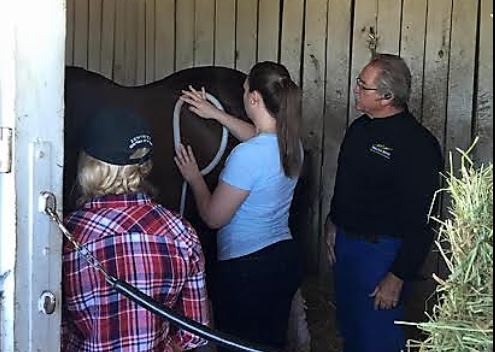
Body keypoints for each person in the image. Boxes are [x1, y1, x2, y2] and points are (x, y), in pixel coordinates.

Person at [174, 61, 303, 350]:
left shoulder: (246, 156)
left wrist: (194, 178)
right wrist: (217, 114)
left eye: (245, 91)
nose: (243, 95)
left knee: (239, 344)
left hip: (247, 269)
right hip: (283, 258)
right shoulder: (291, 145)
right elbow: (258, 135)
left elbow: (213, 217)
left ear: (254, 99)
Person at [62, 109, 209, 351]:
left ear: (89, 166)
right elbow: (195, 332)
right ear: (144, 165)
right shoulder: (181, 233)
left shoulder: (66, 235)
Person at [324, 54, 443, 352]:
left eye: (363, 86)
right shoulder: (359, 129)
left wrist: (398, 275)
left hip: (382, 254)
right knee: (350, 329)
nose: (356, 89)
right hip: (347, 247)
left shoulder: (418, 145)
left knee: (377, 337)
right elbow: (345, 183)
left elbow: (424, 218)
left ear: (387, 97)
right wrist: (332, 221)